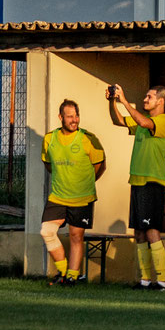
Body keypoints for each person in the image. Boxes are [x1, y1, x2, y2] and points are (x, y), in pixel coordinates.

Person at [108, 82, 165, 289]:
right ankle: (145, 280)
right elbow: (118, 120)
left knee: (152, 229)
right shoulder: (141, 121)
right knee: (138, 232)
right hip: (136, 181)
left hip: (151, 181)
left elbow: (145, 124)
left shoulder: (164, 121)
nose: (145, 100)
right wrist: (113, 101)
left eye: (149, 97)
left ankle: (161, 281)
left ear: (160, 101)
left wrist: (125, 101)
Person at [39, 98, 105, 286]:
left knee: (76, 237)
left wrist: (84, 183)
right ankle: (63, 271)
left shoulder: (88, 139)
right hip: (58, 196)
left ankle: (72, 278)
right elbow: (48, 164)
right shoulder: (49, 139)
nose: (74, 120)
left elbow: (100, 166)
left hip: (82, 198)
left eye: (76, 116)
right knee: (47, 231)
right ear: (60, 117)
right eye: (70, 117)